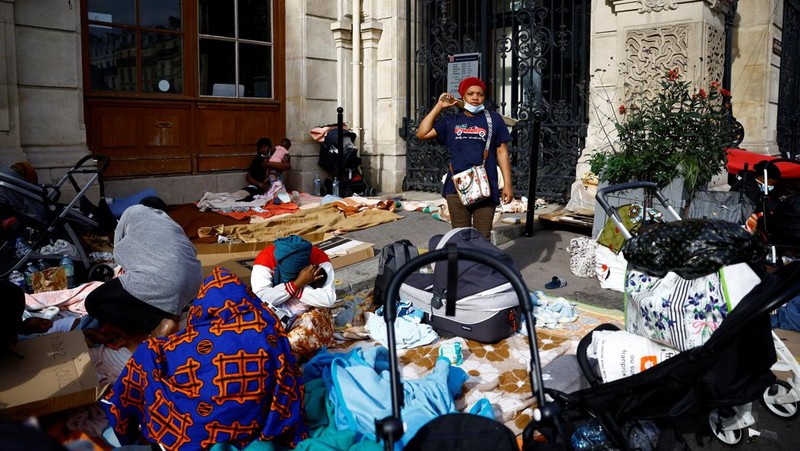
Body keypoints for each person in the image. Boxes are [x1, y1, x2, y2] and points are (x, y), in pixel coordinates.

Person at [83, 197, 203, 348]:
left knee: (93, 302)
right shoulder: (173, 225)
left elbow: (118, 251)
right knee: (142, 291)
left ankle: (157, 323)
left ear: (144, 206)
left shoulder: (134, 210)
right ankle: (167, 313)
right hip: (194, 285)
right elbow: (191, 252)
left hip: (163, 281)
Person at [415, 76, 513, 239]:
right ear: (463, 96)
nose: (475, 98)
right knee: (461, 237)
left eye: (480, 94)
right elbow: (422, 133)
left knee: (482, 238)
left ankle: (481, 265)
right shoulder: (451, 121)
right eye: (470, 93)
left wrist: (508, 184)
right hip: (457, 187)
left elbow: (502, 152)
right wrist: (439, 106)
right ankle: (464, 265)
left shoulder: (493, 119)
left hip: (485, 187)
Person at [250, 235, 336, 360]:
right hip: (276, 311)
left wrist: (298, 289)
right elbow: (259, 298)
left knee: (307, 327)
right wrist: (296, 284)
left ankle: (291, 355)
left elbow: (329, 299)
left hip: (307, 314)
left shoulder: (319, 259)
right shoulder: (265, 260)